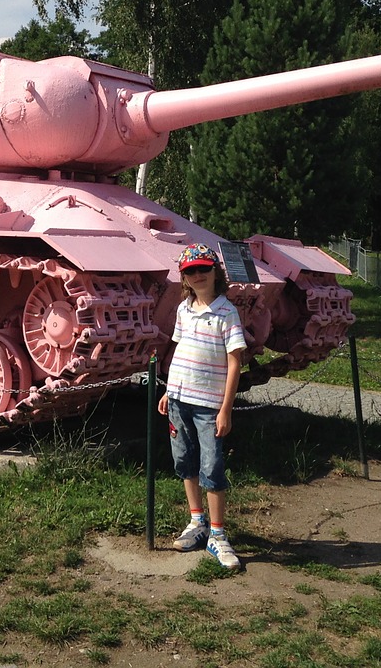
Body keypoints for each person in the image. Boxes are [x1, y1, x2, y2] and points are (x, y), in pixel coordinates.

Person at [157, 242, 246, 569]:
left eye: (203, 269)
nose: (197, 275)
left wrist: (226, 409)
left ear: (215, 272)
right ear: (184, 277)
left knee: (212, 467)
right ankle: (197, 522)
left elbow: (235, 362)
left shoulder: (227, 312)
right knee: (185, 461)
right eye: (190, 271)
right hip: (180, 399)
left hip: (209, 405)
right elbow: (178, 352)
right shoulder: (184, 308)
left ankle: (218, 534)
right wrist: (169, 390)